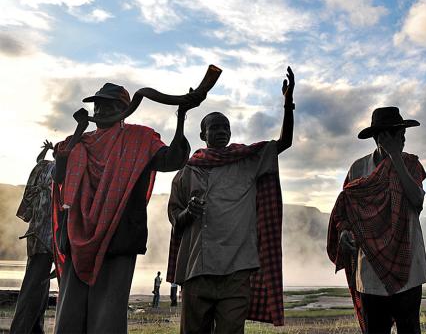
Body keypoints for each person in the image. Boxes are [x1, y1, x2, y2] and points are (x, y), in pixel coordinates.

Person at [52, 82, 203, 333]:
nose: (100, 110)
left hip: (119, 234)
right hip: (76, 235)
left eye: (108, 105)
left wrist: (181, 116)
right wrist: (79, 129)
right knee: (71, 309)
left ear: (124, 110)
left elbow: (174, 159)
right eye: (97, 105)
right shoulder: (78, 142)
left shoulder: (139, 139)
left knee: (108, 311)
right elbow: (59, 175)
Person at [167, 67, 295, 333]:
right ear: (203, 135)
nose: (222, 131)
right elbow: (175, 221)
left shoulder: (246, 162)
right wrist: (189, 212)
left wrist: (287, 103)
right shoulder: (186, 172)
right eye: (214, 127)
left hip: (237, 271)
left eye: (226, 127)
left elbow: (284, 142)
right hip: (196, 271)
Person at [328, 106, 426, 334]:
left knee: (410, 329)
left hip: (409, 268)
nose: (403, 139)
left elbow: (417, 201)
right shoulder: (358, 168)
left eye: (403, 134)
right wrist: (344, 232)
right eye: (397, 134)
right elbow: (345, 211)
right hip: (371, 270)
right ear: (380, 137)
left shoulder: (411, 164)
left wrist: (395, 158)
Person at [10, 140, 56, 334]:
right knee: (35, 284)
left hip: (39, 236)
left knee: (38, 284)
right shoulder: (55, 171)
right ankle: (22, 329)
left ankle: (35, 328)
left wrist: (46, 150)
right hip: (45, 237)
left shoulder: (44, 167)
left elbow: (39, 161)